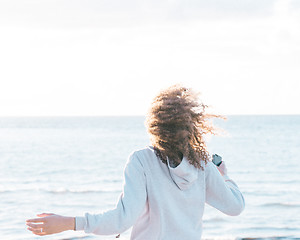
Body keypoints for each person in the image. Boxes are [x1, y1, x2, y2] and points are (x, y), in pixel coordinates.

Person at [26, 85, 245, 239]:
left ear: (155, 125)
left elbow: (122, 220)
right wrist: (224, 176)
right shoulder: (203, 164)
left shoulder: (142, 160)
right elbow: (235, 206)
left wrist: (68, 223)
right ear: (192, 126)